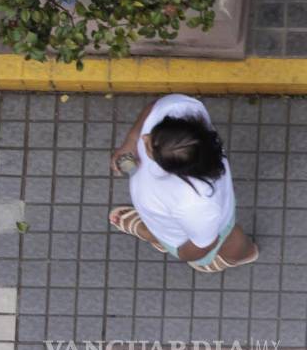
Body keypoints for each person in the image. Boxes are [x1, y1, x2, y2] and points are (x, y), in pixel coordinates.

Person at [109, 94, 259, 272]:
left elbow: (204, 244)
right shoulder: (181, 110)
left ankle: (242, 255)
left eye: (150, 145)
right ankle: (156, 233)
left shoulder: (196, 205)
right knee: (175, 227)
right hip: (175, 219)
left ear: (172, 169)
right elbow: (155, 107)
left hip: (191, 234)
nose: (144, 137)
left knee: (228, 236)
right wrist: (131, 140)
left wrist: (182, 253)